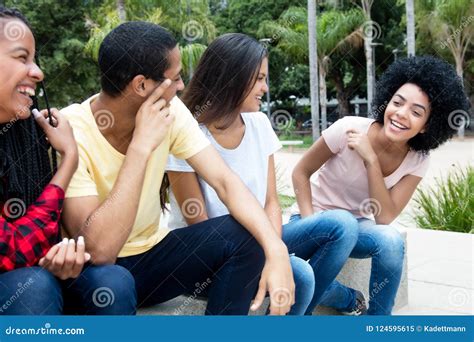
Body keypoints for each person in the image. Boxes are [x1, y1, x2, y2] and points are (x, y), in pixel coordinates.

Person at [60, 22, 294, 315]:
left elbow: (225, 182)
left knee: (246, 231)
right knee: (114, 284)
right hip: (96, 271)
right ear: (142, 85)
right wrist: (141, 146)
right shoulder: (72, 128)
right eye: (175, 78)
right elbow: (100, 250)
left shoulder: (173, 112)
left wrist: (276, 248)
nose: (182, 86)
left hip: (154, 259)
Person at [166, 33, 361, 316]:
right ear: (231, 76)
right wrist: (266, 254)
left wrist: (275, 251)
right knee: (302, 275)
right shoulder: (187, 134)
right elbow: (202, 225)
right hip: (209, 257)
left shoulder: (259, 124)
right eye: (258, 78)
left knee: (342, 225)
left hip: (262, 234)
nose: (265, 87)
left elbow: (271, 201)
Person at [292, 55, 470, 315]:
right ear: (387, 100)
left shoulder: (417, 160)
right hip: (314, 219)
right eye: (397, 103)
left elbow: (385, 217)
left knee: (391, 241)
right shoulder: (348, 128)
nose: (401, 114)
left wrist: (371, 160)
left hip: (357, 227)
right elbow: (301, 172)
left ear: (426, 127)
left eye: (416, 112)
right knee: (307, 276)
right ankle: (345, 299)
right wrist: (310, 223)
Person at [0, 6, 136, 315]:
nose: (37, 72)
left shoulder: (21, 134)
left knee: (112, 282)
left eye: (35, 60)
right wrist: (69, 160)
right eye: (22, 58)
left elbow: (39, 232)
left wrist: (61, 257)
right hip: (21, 283)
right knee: (33, 286)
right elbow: (16, 249)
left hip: (25, 277)